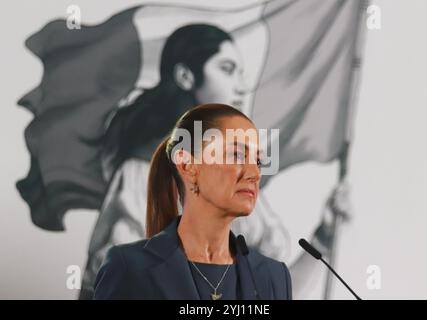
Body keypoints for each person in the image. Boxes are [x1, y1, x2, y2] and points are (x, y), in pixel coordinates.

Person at [79, 23, 292, 299]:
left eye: (241, 72)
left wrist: (323, 235)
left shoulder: (237, 175)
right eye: (227, 69)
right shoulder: (142, 172)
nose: (241, 86)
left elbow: (270, 259)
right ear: (185, 76)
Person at [93, 103, 292, 300]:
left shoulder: (274, 277)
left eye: (257, 161)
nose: (255, 173)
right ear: (188, 165)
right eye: (237, 155)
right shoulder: (128, 269)